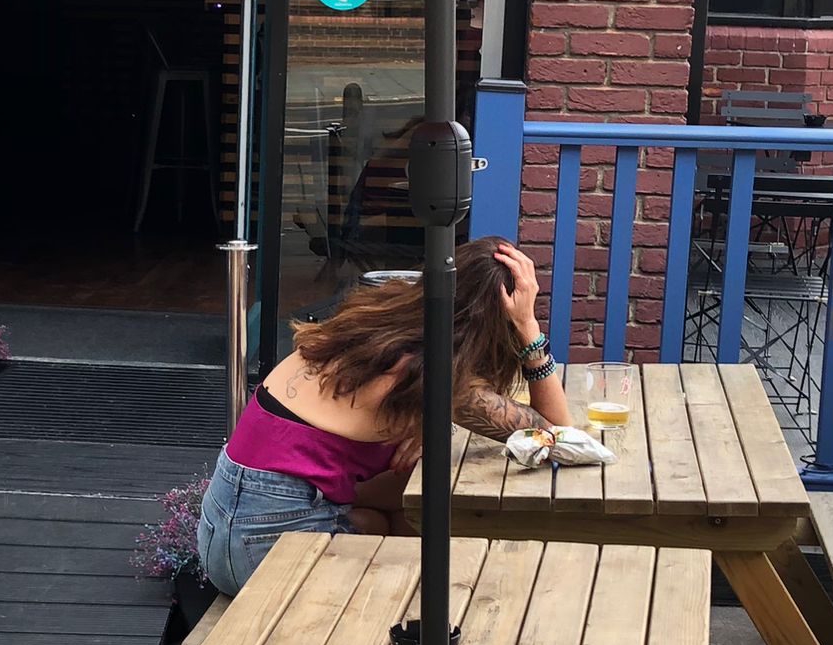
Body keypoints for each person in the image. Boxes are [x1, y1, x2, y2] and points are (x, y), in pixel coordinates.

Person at [197, 237, 570, 595]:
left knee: (392, 513)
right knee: (423, 541)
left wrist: (426, 420)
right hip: (268, 553)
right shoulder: (429, 370)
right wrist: (529, 330)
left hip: (219, 534)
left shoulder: (368, 328)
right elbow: (558, 436)